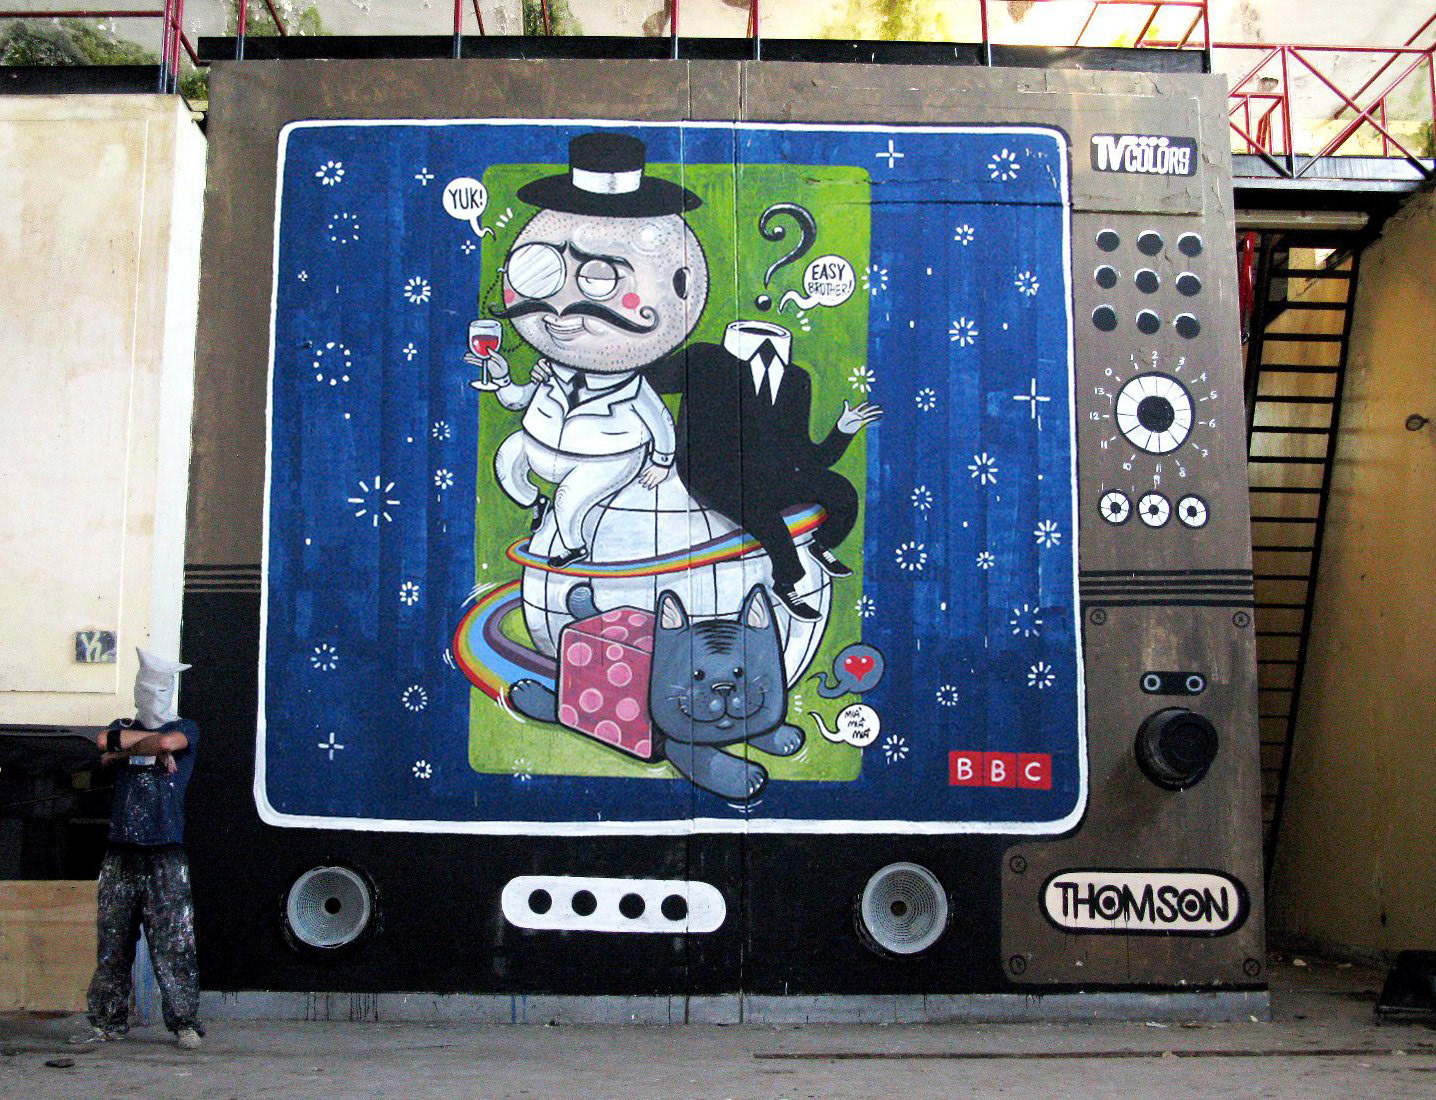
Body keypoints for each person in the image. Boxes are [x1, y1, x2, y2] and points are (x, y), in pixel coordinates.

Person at [476, 132, 697, 568]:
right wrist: (501, 377)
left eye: (595, 281)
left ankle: (574, 544)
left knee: (570, 502)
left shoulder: (628, 384)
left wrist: (662, 459)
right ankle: (535, 505)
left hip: (604, 460)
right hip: (536, 442)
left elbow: (658, 418)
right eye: (544, 276)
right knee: (506, 464)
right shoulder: (549, 370)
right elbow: (517, 400)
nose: (562, 309)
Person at [647, 320, 881, 621]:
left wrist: (842, 431)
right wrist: (661, 449)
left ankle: (822, 544)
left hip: (771, 473)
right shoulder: (704, 358)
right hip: (712, 472)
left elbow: (806, 455)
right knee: (764, 516)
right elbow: (645, 384)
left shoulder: (796, 379)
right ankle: (787, 583)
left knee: (841, 492)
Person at [69, 649, 202, 1050]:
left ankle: (184, 1022)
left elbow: (167, 740)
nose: (154, 696)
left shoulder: (186, 728)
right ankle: (108, 1021)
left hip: (165, 852)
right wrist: (149, 748)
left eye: (161, 688)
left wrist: (128, 751)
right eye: (148, 688)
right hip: (121, 851)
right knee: (112, 941)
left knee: (174, 942)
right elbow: (103, 740)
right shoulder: (121, 725)